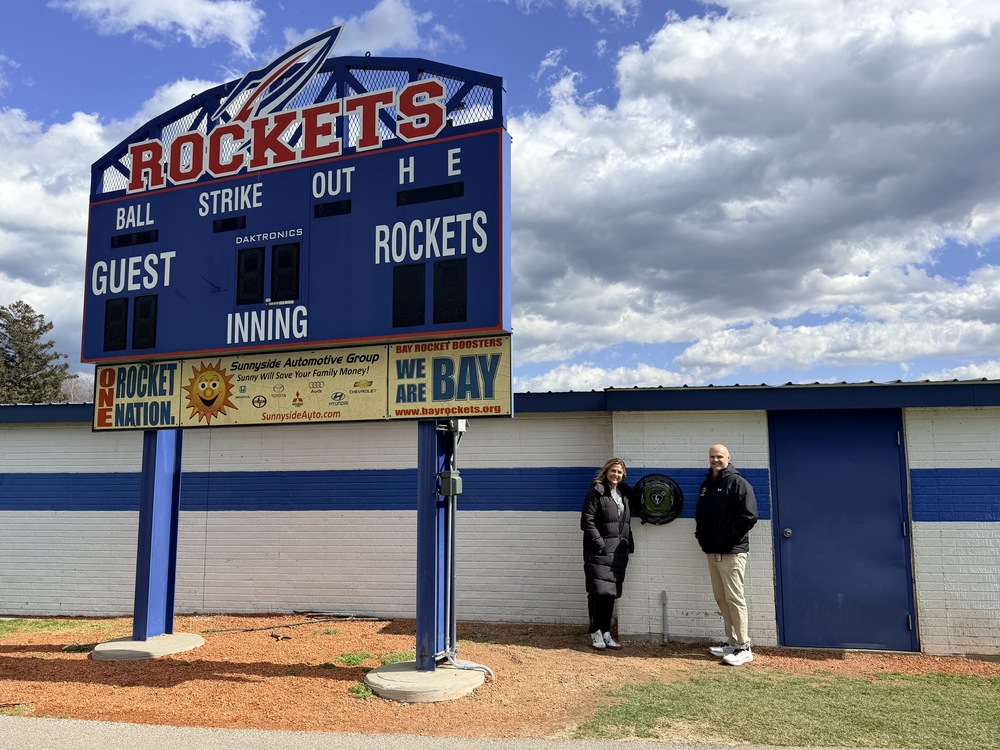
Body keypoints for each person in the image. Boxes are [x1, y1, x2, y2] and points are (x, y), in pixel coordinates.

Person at [695, 443, 758, 665]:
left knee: (734, 598)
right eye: (712, 456)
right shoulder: (707, 485)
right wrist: (702, 537)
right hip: (712, 551)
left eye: (719, 456)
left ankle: (744, 646)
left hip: (732, 552)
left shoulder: (738, 483)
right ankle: (731, 643)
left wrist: (726, 540)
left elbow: (749, 516)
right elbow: (701, 515)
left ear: (728, 458)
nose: (715, 460)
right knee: (721, 598)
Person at [581, 457, 636, 650]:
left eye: (620, 472)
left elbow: (625, 522)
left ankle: (606, 632)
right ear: (606, 471)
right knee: (597, 592)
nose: (616, 475)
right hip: (599, 551)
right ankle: (595, 632)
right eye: (613, 471)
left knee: (610, 593)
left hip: (618, 553)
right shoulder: (596, 491)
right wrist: (600, 544)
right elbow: (586, 521)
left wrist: (629, 543)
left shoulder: (623, 493)